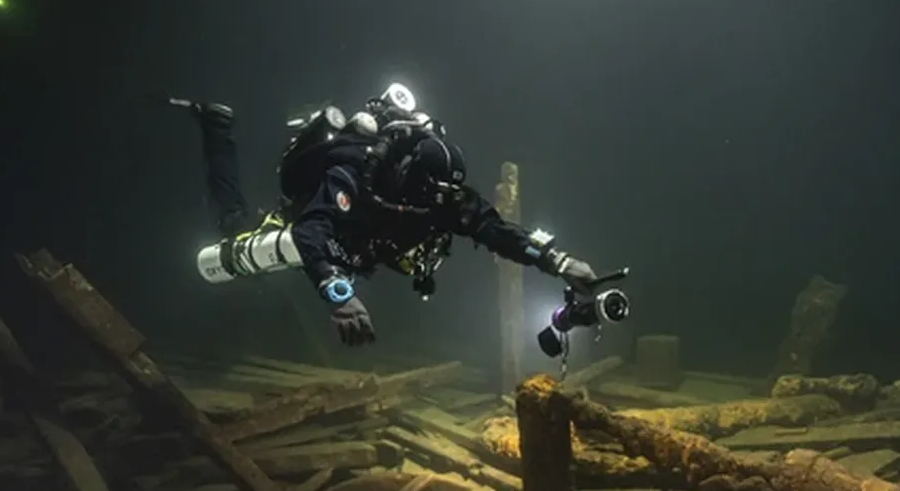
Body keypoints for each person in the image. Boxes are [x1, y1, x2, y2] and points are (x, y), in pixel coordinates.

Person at [172, 85, 599, 346]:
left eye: (446, 194)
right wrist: (339, 295)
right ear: (409, 176)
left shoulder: (443, 197)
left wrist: (557, 261)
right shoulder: (356, 171)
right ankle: (217, 130)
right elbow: (311, 230)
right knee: (235, 226)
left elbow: (495, 230)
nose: (438, 203)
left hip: (360, 251)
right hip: (321, 238)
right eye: (431, 192)